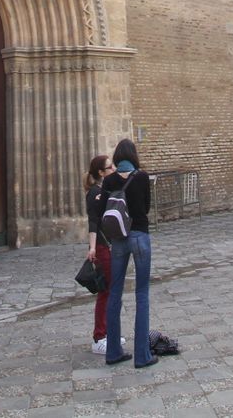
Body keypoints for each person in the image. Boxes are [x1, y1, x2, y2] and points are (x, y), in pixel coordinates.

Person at [100, 138, 156, 368]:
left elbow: (103, 208)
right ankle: (142, 355)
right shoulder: (141, 177)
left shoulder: (109, 179)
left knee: (115, 292)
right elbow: (146, 207)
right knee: (141, 294)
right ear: (133, 155)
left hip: (118, 240)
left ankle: (113, 352)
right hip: (139, 236)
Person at [83, 154, 123, 355]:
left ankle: (109, 333)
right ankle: (99, 337)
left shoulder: (102, 191)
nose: (113, 169)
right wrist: (91, 247)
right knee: (105, 292)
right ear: (101, 172)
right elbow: (93, 222)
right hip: (101, 246)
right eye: (110, 168)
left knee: (110, 290)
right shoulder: (94, 194)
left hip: (108, 245)